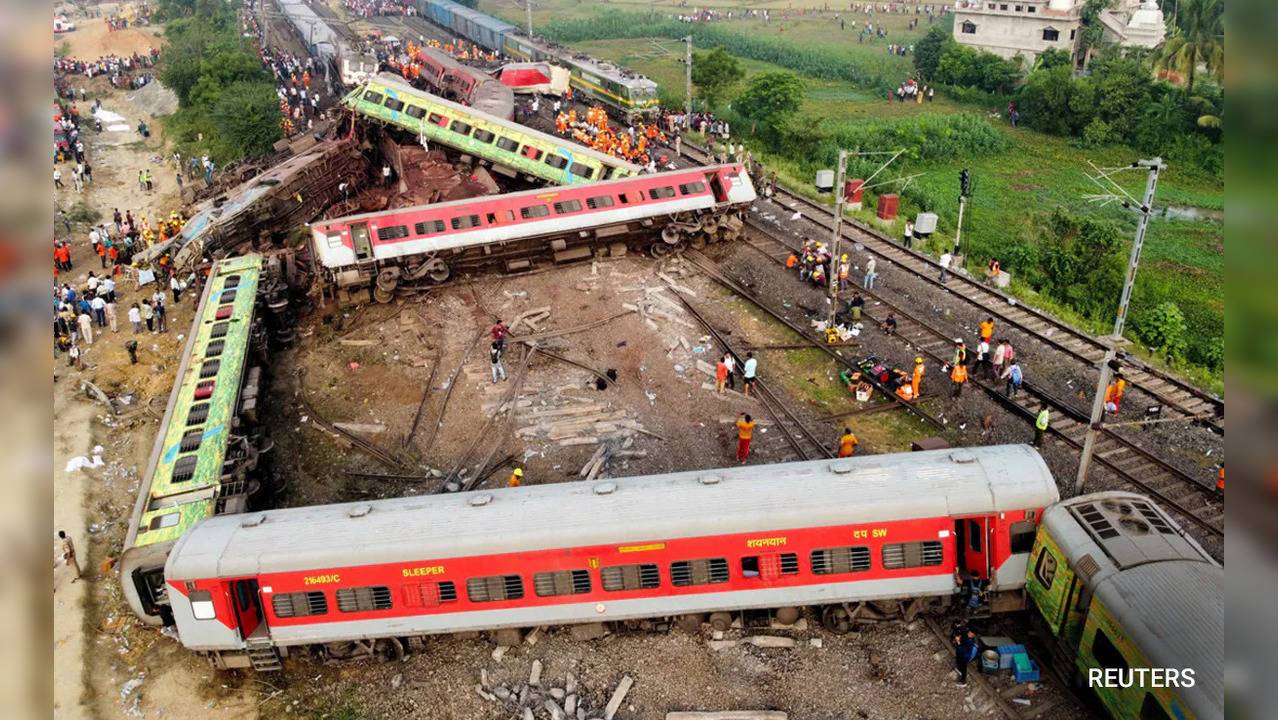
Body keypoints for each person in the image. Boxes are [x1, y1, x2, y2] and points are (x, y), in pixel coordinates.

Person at [953, 621, 978, 686]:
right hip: (964, 652)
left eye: (970, 632)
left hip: (966, 655)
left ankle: (963, 681)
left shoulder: (969, 642)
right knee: (958, 659)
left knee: (963, 665)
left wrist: (958, 641)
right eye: (969, 632)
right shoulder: (968, 636)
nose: (968, 632)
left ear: (973, 635)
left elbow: (962, 650)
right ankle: (959, 669)